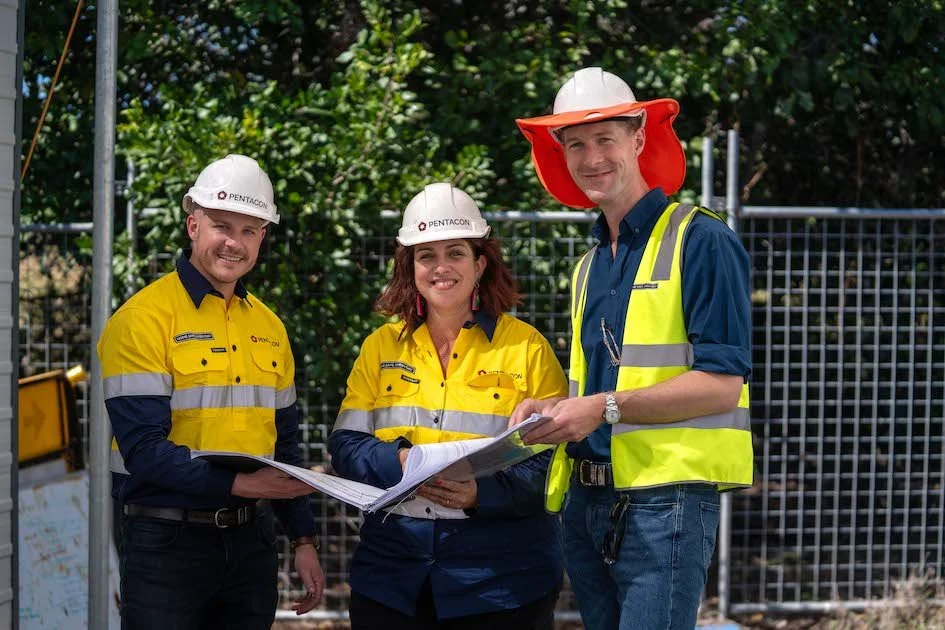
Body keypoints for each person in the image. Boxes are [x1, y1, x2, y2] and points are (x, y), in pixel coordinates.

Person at [510, 67, 754, 629]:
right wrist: (550, 411)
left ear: (639, 139)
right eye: (575, 145)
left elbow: (722, 382)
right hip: (587, 501)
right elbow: (597, 384)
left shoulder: (703, 238)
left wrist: (600, 409)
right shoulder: (589, 265)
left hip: (665, 504)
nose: (591, 158)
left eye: (605, 139)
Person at [98, 154, 325, 628]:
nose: (234, 243)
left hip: (251, 545)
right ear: (193, 225)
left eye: (249, 231)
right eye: (222, 226)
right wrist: (245, 485)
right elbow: (144, 451)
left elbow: (285, 445)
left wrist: (302, 539)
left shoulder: (269, 326)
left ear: (263, 237)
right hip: (165, 544)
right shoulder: (142, 320)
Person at [328, 182, 568, 629]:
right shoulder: (380, 348)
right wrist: (399, 461)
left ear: (480, 264)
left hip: (500, 580)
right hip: (392, 577)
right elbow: (345, 445)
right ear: (410, 267)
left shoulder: (527, 348)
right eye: (426, 255)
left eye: (455, 253)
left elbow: (553, 462)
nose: (441, 267)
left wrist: (482, 494)